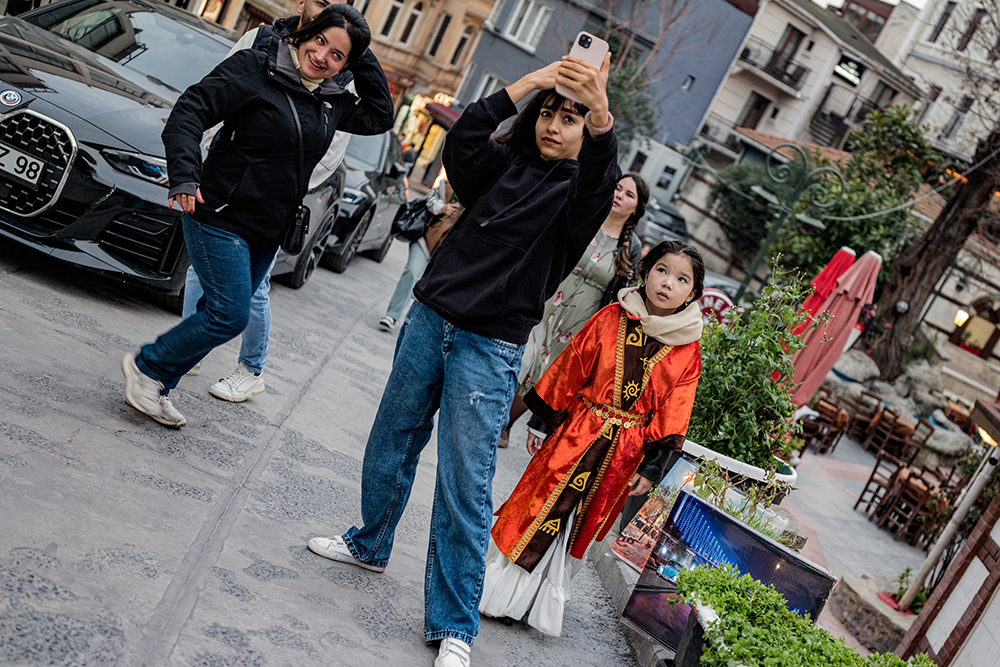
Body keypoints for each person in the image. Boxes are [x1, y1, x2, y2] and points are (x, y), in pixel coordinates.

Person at [306, 54, 621, 667]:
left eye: (571, 120)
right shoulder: (500, 166)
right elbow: (467, 136)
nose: (556, 126)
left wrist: (601, 111)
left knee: (465, 483)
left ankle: (454, 625)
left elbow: (601, 174)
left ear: (586, 134)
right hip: (430, 318)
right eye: (549, 115)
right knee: (392, 438)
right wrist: (531, 81)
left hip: (491, 344)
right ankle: (369, 542)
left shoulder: (576, 196)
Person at [121, 4, 393, 427]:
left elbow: (381, 115)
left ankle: (156, 384)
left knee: (220, 314)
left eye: (337, 56)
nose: (322, 57)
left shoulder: (332, 101)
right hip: (219, 214)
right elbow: (191, 109)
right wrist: (185, 175)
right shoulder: (256, 68)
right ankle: (147, 366)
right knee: (229, 315)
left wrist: (358, 41)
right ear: (307, 33)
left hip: (267, 230)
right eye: (320, 40)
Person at [480, 240, 705, 636]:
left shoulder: (688, 349)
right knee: (537, 506)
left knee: (578, 526)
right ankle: (499, 593)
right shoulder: (612, 317)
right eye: (661, 270)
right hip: (578, 431)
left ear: (693, 293)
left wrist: (651, 469)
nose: (668, 283)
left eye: (681, 278)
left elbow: (675, 412)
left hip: (624, 453)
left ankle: (535, 605)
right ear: (646, 272)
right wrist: (541, 419)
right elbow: (572, 366)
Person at [183, 0, 358, 402]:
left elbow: (332, 149)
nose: (324, 10)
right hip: (227, 181)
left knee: (254, 287)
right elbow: (218, 94)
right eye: (319, 1)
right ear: (302, 3)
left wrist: (286, 182)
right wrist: (213, 160)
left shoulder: (342, 70)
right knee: (200, 269)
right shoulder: (263, 38)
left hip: (274, 197)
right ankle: (188, 347)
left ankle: (251, 368)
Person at [497, 172, 648, 447]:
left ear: (636, 208)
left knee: (544, 375)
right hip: (549, 299)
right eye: (618, 188)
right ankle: (493, 416)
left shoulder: (632, 246)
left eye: (629, 194)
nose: (619, 195)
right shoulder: (588, 217)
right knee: (526, 360)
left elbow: (621, 293)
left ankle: (505, 424)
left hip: (581, 318)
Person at [378, 176, 461, 332]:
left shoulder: (479, 198)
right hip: (426, 238)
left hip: (447, 250)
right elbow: (430, 198)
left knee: (430, 289)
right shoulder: (446, 186)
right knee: (412, 272)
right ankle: (392, 315)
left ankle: (414, 325)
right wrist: (443, 208)